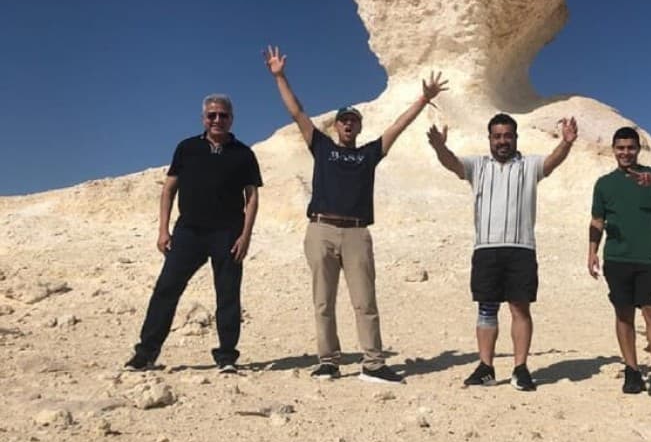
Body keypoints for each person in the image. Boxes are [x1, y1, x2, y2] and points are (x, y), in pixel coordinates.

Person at [265, 44, 447, 384]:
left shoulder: (368, 154)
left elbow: (397, 126)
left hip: (357, 233)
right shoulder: (321, 146)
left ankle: (374, 364)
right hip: (320, 229)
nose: (349, 125)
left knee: (365, 301)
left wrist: (422, 101)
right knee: (323, 301)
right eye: (344, 121)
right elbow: (297, 113)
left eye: (354, 121)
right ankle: (328, 362)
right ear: (336, 126)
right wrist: (280, 77)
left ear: (359, 128)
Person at [427, 113, 577, 391]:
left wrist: (566, 144)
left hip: (521, 247)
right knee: (487, 308)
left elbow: (551, 163)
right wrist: (439, 147)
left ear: (515, 137)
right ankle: (486, 367)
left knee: (520, 307)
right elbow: (453, 165)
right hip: (486, 248)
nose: (502, 141)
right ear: (490, 139)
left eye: (507, 135)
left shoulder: (529, 165)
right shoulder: (478, 165)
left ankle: (520, 368)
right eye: (497, 136)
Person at [125, 95, 262, 374]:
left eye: (223, 115)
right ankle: (146, 353)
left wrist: (245, 235)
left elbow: (252, 197)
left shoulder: (243, 153)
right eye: (212, 115)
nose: (217, 120)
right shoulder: (187, 148)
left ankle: (226, 357)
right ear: (203, 119)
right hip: (189, 232)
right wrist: (163, 229)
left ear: (231, 119)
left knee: (227, 294)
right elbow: (169, 189)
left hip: (227, 233)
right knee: (166, 289)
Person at [588, 126, 651, 399]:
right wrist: (592, 251)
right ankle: (631, 370)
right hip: (617, 258)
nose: (625, 153)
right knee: (623, 313)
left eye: (630, 147)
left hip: (649, 258)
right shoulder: (604, 184)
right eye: (620, 148)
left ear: (638, 149)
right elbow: (597, 220)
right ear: (613, 150)